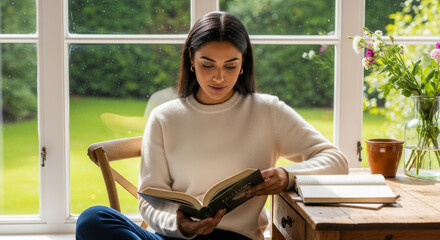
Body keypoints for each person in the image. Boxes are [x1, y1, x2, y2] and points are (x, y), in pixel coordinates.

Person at [76, 11, 348, 240]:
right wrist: (179, 226)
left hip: (235, 239)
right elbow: (148, 199)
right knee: (92, 219)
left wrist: (287, 175)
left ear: (243, 65)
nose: (219, 77)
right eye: (208, 65)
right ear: (191, 61)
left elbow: (336, 160)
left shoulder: (267, 111)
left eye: (230, 66)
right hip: (175, 236)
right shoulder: (164, 117)